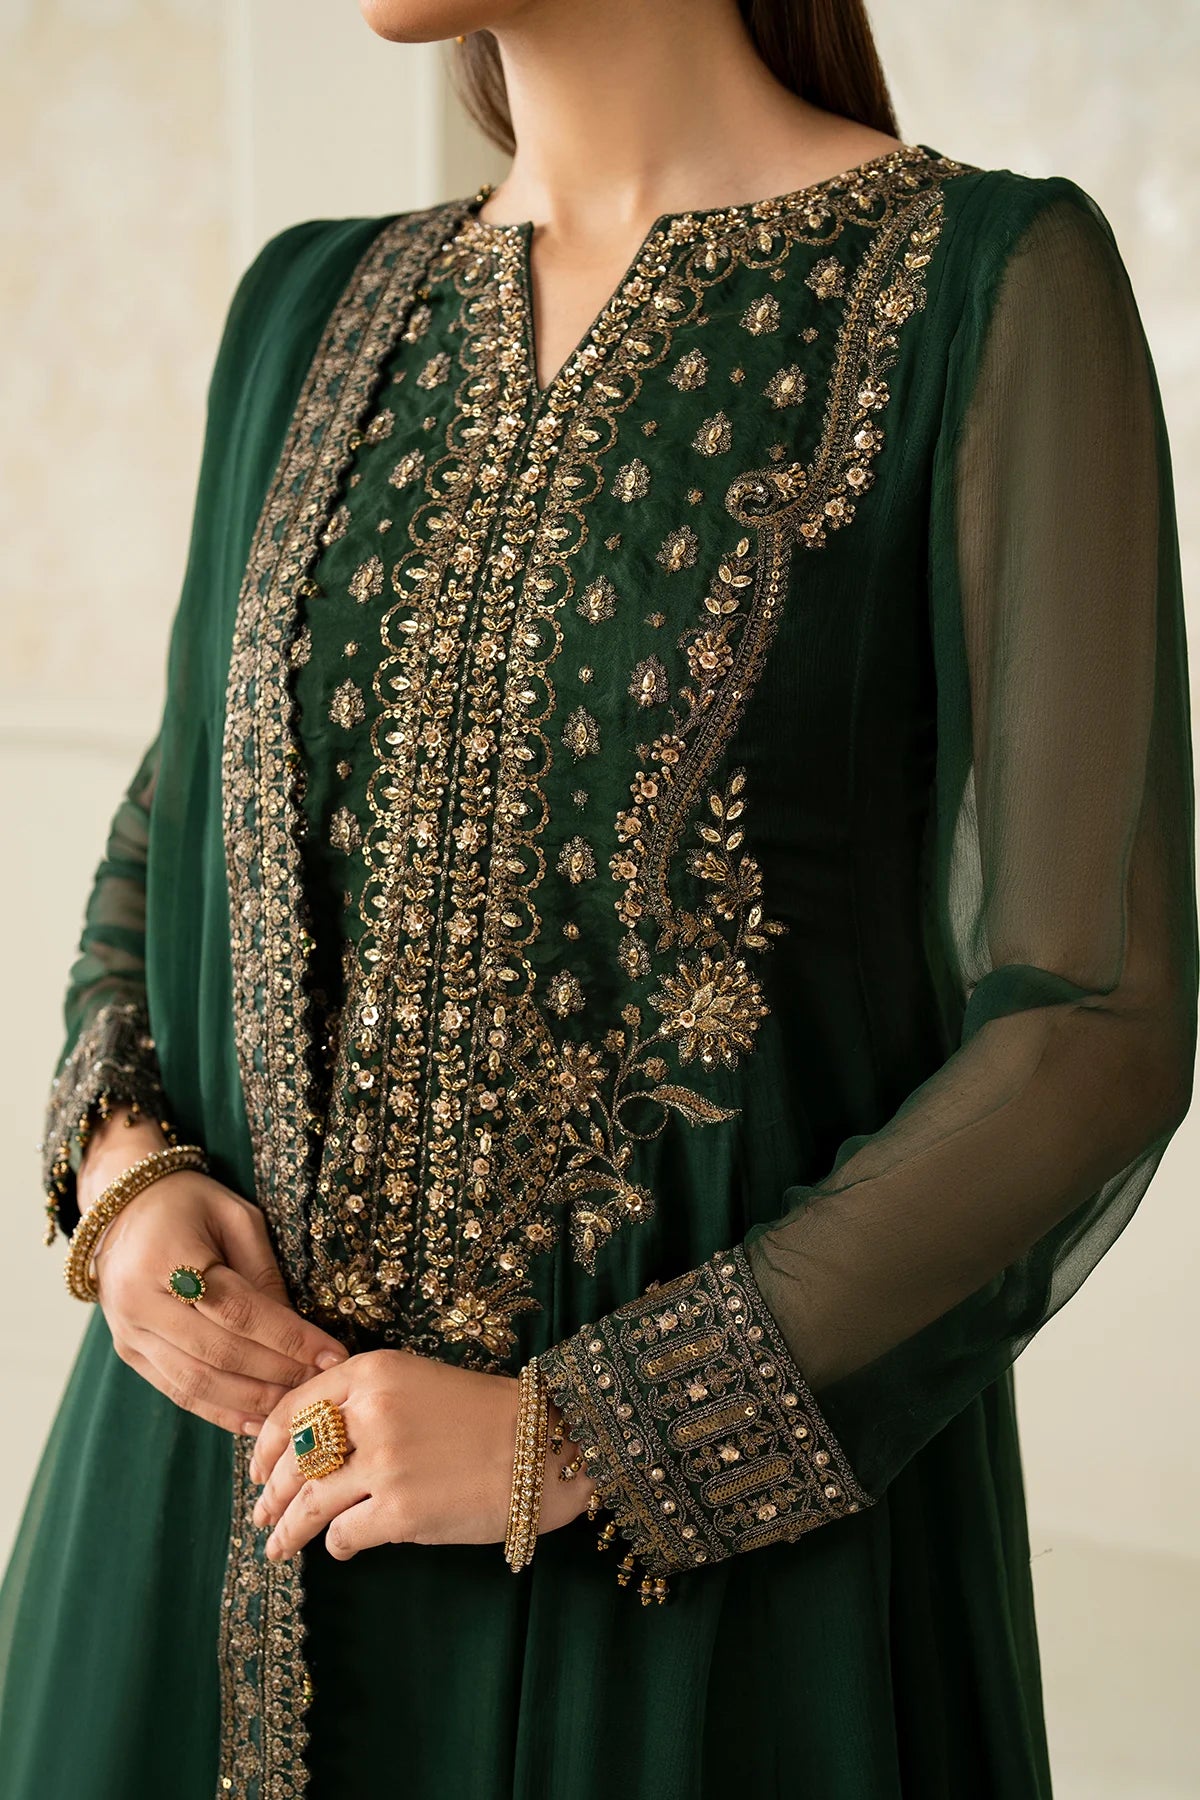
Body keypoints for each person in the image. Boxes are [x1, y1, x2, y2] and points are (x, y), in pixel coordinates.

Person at [1, 1, 1194, 1795]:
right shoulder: (306, 310)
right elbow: (177, 818)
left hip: (701, 1609)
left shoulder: (984, 289)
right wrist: (129, 1177)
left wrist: (586, 1438)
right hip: (202, 1522)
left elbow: (1093, 1019)